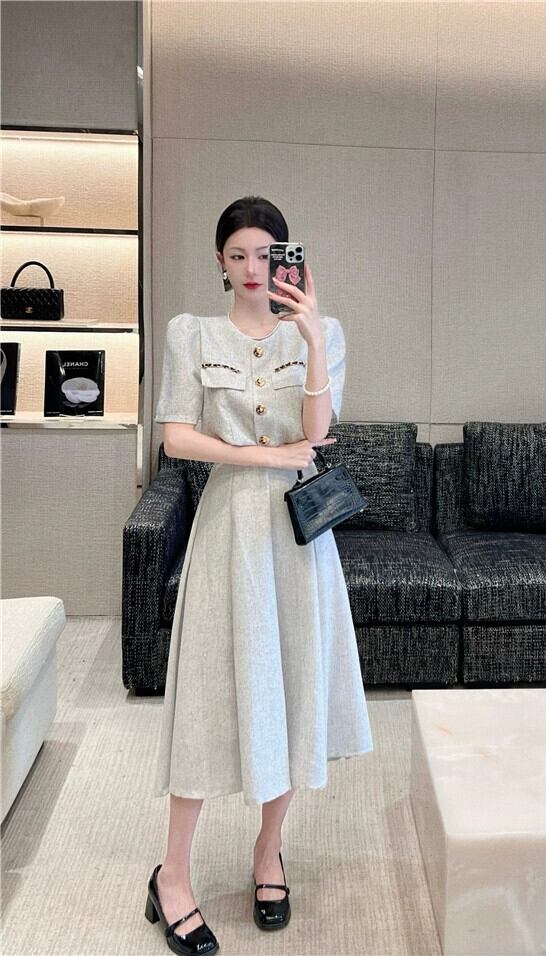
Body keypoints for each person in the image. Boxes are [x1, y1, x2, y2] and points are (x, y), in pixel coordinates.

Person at [145, 196, 374, 955]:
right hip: (228, 531)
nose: (253, 267)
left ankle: (269, 852)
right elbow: (177, 438)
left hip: (298, 540)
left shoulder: (323, 332)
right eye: (238, 254)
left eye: (266, 253)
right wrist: (258, 456)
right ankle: (172, 875)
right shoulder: (190, 333)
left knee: (292, 690)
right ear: (220, 261)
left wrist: (309, 336)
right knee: (209, 698)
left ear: (286, 259)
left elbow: (317, 433)